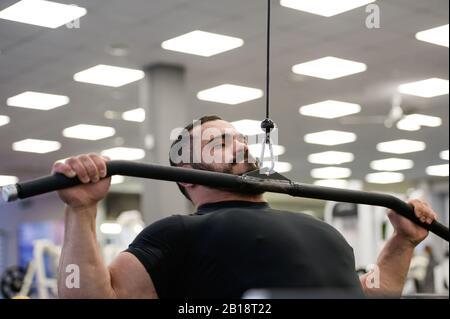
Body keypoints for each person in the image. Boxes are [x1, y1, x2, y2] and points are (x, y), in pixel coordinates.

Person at [54, 115, 438, 298]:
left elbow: (375, 294)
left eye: (240, 141)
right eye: (220, 143)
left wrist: (402, 242)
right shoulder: (177, 233)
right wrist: (82, 209)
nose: (241, 147)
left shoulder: (322, 230)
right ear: (186, 176)